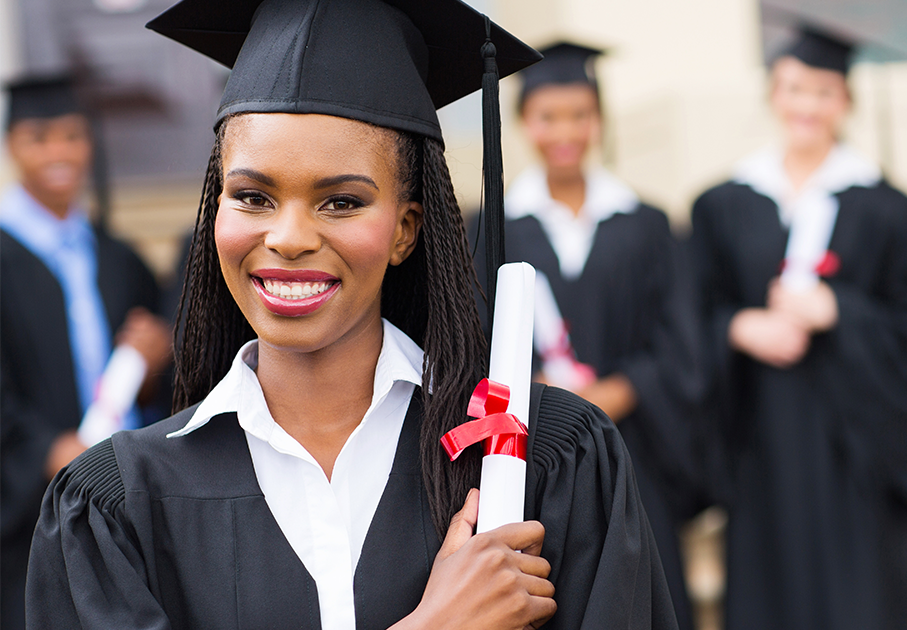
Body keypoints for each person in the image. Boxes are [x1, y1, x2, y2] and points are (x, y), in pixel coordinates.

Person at [25, 1, 677, 629]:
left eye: (340, 202)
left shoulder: (551, 460)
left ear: (405, 229)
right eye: (252, 196)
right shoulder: (113, 506)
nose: (288, 236)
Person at [688, 24, 907, 630]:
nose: (807, 105)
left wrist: (842, 313)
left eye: (824, 92)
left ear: (847, 102)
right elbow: (688, 313)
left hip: (855, 453)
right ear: (773, 94)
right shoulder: (723, 204)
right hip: (763, 449)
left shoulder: (890, 210)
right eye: (794, 88)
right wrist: (738, 327)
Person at [484, 41, 708, 630]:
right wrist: (535, 393)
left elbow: (681, 344)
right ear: (524, 123)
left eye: (580, 115)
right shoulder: (493, 227)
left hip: (635, 453)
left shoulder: (647, 224)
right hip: (534, 458)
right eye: (548, 116)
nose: (566, 131)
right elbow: (468, 340)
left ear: (600, 121)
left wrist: (614, 394)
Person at [0, 74, 171, 630]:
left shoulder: (116, 255)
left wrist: (150, 363)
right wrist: (51, 451)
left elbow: (159, 377)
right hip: (26, 515)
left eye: (72, 136)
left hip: (112, 491)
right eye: (40, 137)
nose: (59, 152)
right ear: (12, 147)